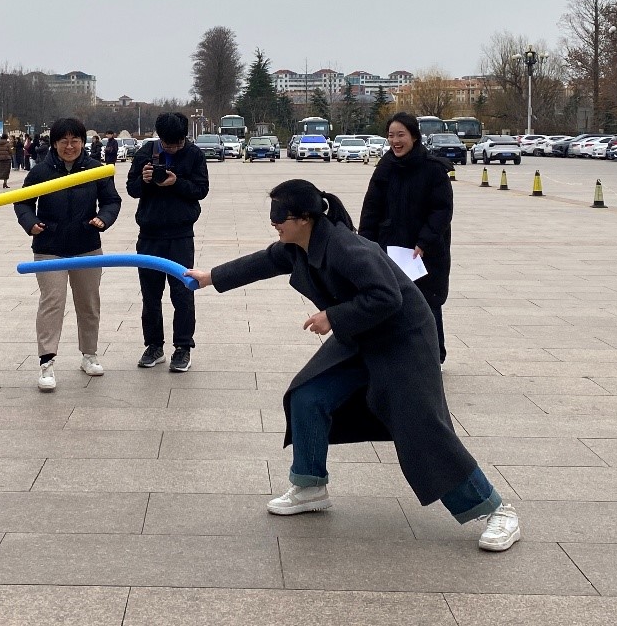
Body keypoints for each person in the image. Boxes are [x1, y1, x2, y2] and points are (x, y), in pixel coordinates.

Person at [185, 179, 521, 552]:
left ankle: (496, 510)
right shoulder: (298, 246)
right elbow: (264, 261)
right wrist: (210, 277)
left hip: (402, 337)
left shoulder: (346, 247)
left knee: (420, 426)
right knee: (308, 395)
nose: (273, 222)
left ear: (304, 218)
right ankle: (309, 486)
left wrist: (333, 316)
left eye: (280, 216)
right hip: (361, 333)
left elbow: (387, 297)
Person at [14, 117, 121, 391]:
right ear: (54, 143)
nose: (70, 146)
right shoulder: (41, 171)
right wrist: (31, 223)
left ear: (83, 142)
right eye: (64, 141)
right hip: (50, 247)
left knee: (89, 303)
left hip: (87, 245)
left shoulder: (96, 170)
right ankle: (46, 362)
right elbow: (22, 202)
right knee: (52, 302)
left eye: (75, 141)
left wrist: (103, 219)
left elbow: (111, 200)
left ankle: (89, 354)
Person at [358, 112, 453, 365]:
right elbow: (371, 209)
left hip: (423, 253)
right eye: (391, 136)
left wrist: (424, 242)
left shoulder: (433, 169)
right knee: (391, 301)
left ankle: (433, 357)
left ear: (414, 137)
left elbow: (441, 211)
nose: (395, 141)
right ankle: (396, 355)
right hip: (389, 248)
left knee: (427, 302)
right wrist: (365, 244)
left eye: (401, 135)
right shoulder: (385, 167)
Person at [127, 112, 209, 372]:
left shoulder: (194, 155)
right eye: (167, 144)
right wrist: (144, 180)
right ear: (159, 138)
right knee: (150, 295)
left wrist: (177, 183)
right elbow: (131, 189)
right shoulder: (145, 152)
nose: (172, 148)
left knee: (182, 293)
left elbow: (201, 190)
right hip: (149, 235)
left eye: (177, 143)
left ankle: (183, 347)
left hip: (180, 236)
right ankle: (154, 345)